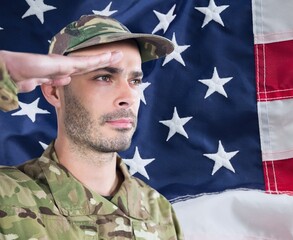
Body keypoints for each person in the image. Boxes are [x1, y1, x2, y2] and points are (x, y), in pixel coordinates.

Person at [0, 15, 183, 239]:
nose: (128, 97)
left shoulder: (158, 212)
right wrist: (5, 70)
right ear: (54, 91)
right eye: (104, 77)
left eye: (134, 81)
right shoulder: (7, 197)